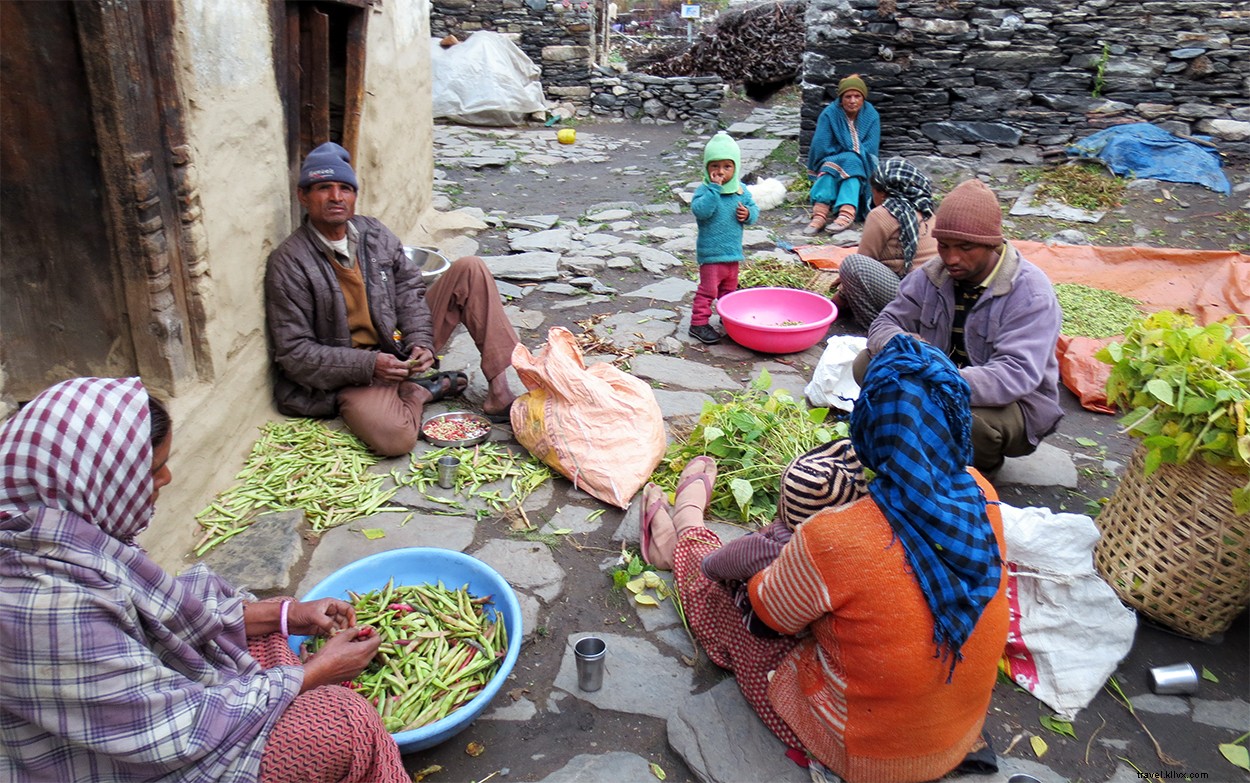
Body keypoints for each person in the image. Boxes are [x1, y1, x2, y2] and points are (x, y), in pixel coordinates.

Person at [0, 377, 408, 783]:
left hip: (146, 706)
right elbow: (169, 731)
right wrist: (314, 673)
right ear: (94, 479)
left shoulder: (63, 535)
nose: (168, 478)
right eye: (154, 469)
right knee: (341, 720)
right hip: (130, 760)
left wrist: (290, 615)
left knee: (257, 635)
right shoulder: (40, 604)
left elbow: (165, 616)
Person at [643, 335, 1009, 782]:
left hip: (869, 755)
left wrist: (778, 550)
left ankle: (686, 534)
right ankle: (686, 534)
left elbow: (767, 613)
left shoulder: (837, 535)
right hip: (956, 733)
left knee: (722, 595)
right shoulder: (980, 492)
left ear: (871, 425)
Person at [265, 141, 520, 456]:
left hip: (394, 344)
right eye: (323, 188)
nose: (335, 197)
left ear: (354, 196)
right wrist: (371, 364)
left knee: (471, 269)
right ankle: (416, 393)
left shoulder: (373, 233)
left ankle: (499, 390)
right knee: (395, 439)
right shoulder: (289, 262)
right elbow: (295, 354)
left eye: (345, 188)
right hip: (350, 370)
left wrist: (421, 341)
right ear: (303, 196)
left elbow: (409, 289)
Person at [862, 178, 1064, 473]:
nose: (951, 258)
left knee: (970, 424)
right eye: (944, 245)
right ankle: (920, 439)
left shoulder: (1030, 293)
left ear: (991, 244)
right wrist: (908, 345)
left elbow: (1015, 375)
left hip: (1013, 404)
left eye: (966, 247)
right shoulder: (931, 275)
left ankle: (979, 468)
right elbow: (884, 324)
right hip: (936, 381)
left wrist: (939, 380)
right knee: (866, 364)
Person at [655, 439, 866, 638]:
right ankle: (678, 535)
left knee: (701, 574)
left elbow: (718, 564)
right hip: (810, 642)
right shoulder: (858, 551)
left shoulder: (775, 546)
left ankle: (685, 526)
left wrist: (707, 565)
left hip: (760, 637)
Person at [836, 158, 937, 330]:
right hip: (935, 303)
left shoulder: (882, 214)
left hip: (912, 302)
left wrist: (834, 304)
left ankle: (881, 328)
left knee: (852, 265)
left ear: (882, 193)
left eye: (873, 191)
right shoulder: (928, 211)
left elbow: (862, 263)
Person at [688, 131, 759, 345]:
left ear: (735, 167)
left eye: (727, 167)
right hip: (711, 255)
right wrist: (714, 190)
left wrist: (748, 214)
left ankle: (728, 320)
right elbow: (701, 212)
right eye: (714, 166)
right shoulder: (704, 191)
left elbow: (754, 210)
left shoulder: (741, 191)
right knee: (708, 290)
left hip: (732, 254)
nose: (720, 172)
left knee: (730, 290)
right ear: (707, 168)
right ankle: (698, 323)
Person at [804, 74, 881, 236]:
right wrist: (846, 154)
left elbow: (870, 149)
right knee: (843, 163)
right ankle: (824, 212)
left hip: (862, 162)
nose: (852, 100)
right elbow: (822, 146)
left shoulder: (871, 115)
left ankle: (843, 211)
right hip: (830, 159)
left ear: (863, 98)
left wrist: (848, 154)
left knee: (853, 162)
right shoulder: (830, 114)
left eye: (857, 96)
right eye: (848, 96)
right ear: (841, 98)